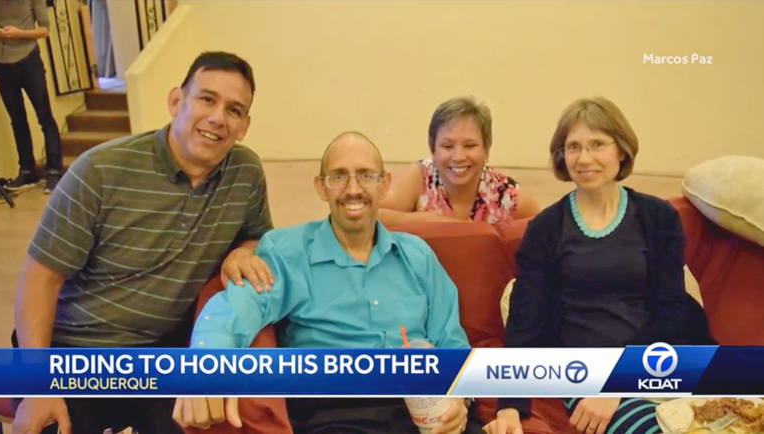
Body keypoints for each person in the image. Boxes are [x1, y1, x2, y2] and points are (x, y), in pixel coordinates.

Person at [12, 51, 276, 434]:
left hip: (160, 351)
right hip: (71, 349)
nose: (218, 118)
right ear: (175, 101)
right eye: (207, 99)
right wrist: (37, 385)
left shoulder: (245, 173)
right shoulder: (100, 171)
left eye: (234, 110)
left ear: (244, 126)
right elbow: (39, 278)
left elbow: (255, 233)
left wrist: (243, 250)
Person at [173, 132, 481, 434]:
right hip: (335, 410)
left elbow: (450, 340)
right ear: (321, 187)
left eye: (366, 175)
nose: (353, 189)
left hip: (423, 404)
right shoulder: (287, 250)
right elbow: (239, 306)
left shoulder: (418, 256)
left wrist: (459, 399)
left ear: (384, 184)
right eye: (338, 176)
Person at [483, 97, 713, 434]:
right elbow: (525, 320)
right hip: (590, 376)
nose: (584, 158)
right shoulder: (545, 229)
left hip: (664, 359)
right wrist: (509, 407)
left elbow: (671, 310)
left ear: (621, 150)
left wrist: (624, 378)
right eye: (573, 147)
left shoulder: (658, 217)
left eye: (597, 144)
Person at [378, 96, 540, 225]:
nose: (458, 157)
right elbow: (368, 217)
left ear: (487, 148)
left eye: (470, 146)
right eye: (447, 146)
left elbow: (545, 239)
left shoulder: (509, 197)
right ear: (432, 149)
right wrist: (435, 221)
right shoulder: (418, 178)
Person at [0, 0, 63, 193]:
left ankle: (54, 171)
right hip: (0, 61)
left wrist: (19, 33)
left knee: (44, 117)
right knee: (16, 119)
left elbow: (44, 30)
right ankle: (27, 171)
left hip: (28, 59)